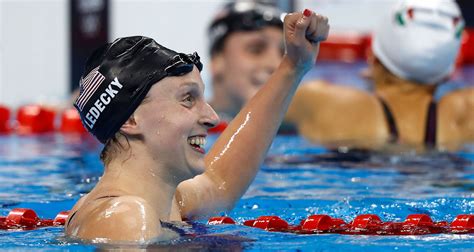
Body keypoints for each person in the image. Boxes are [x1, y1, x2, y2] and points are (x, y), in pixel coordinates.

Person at [64, 9, 329, 242]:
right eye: (188, 99)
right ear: (130, 120)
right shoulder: (126, 218)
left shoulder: (168, 203)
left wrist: (294, 66)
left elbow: (220, 181)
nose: (212, 117)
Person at [285, 0, 473, 151]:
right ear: (450, 71)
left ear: (373, 56)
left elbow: (259, 112)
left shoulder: (324, 103)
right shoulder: (465, 114)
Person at [207, 1, 285, 123]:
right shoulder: (183, 133)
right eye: (256, 50)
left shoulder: (304, 130)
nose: (276, 64)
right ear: (217, 60)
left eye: (284, 54)